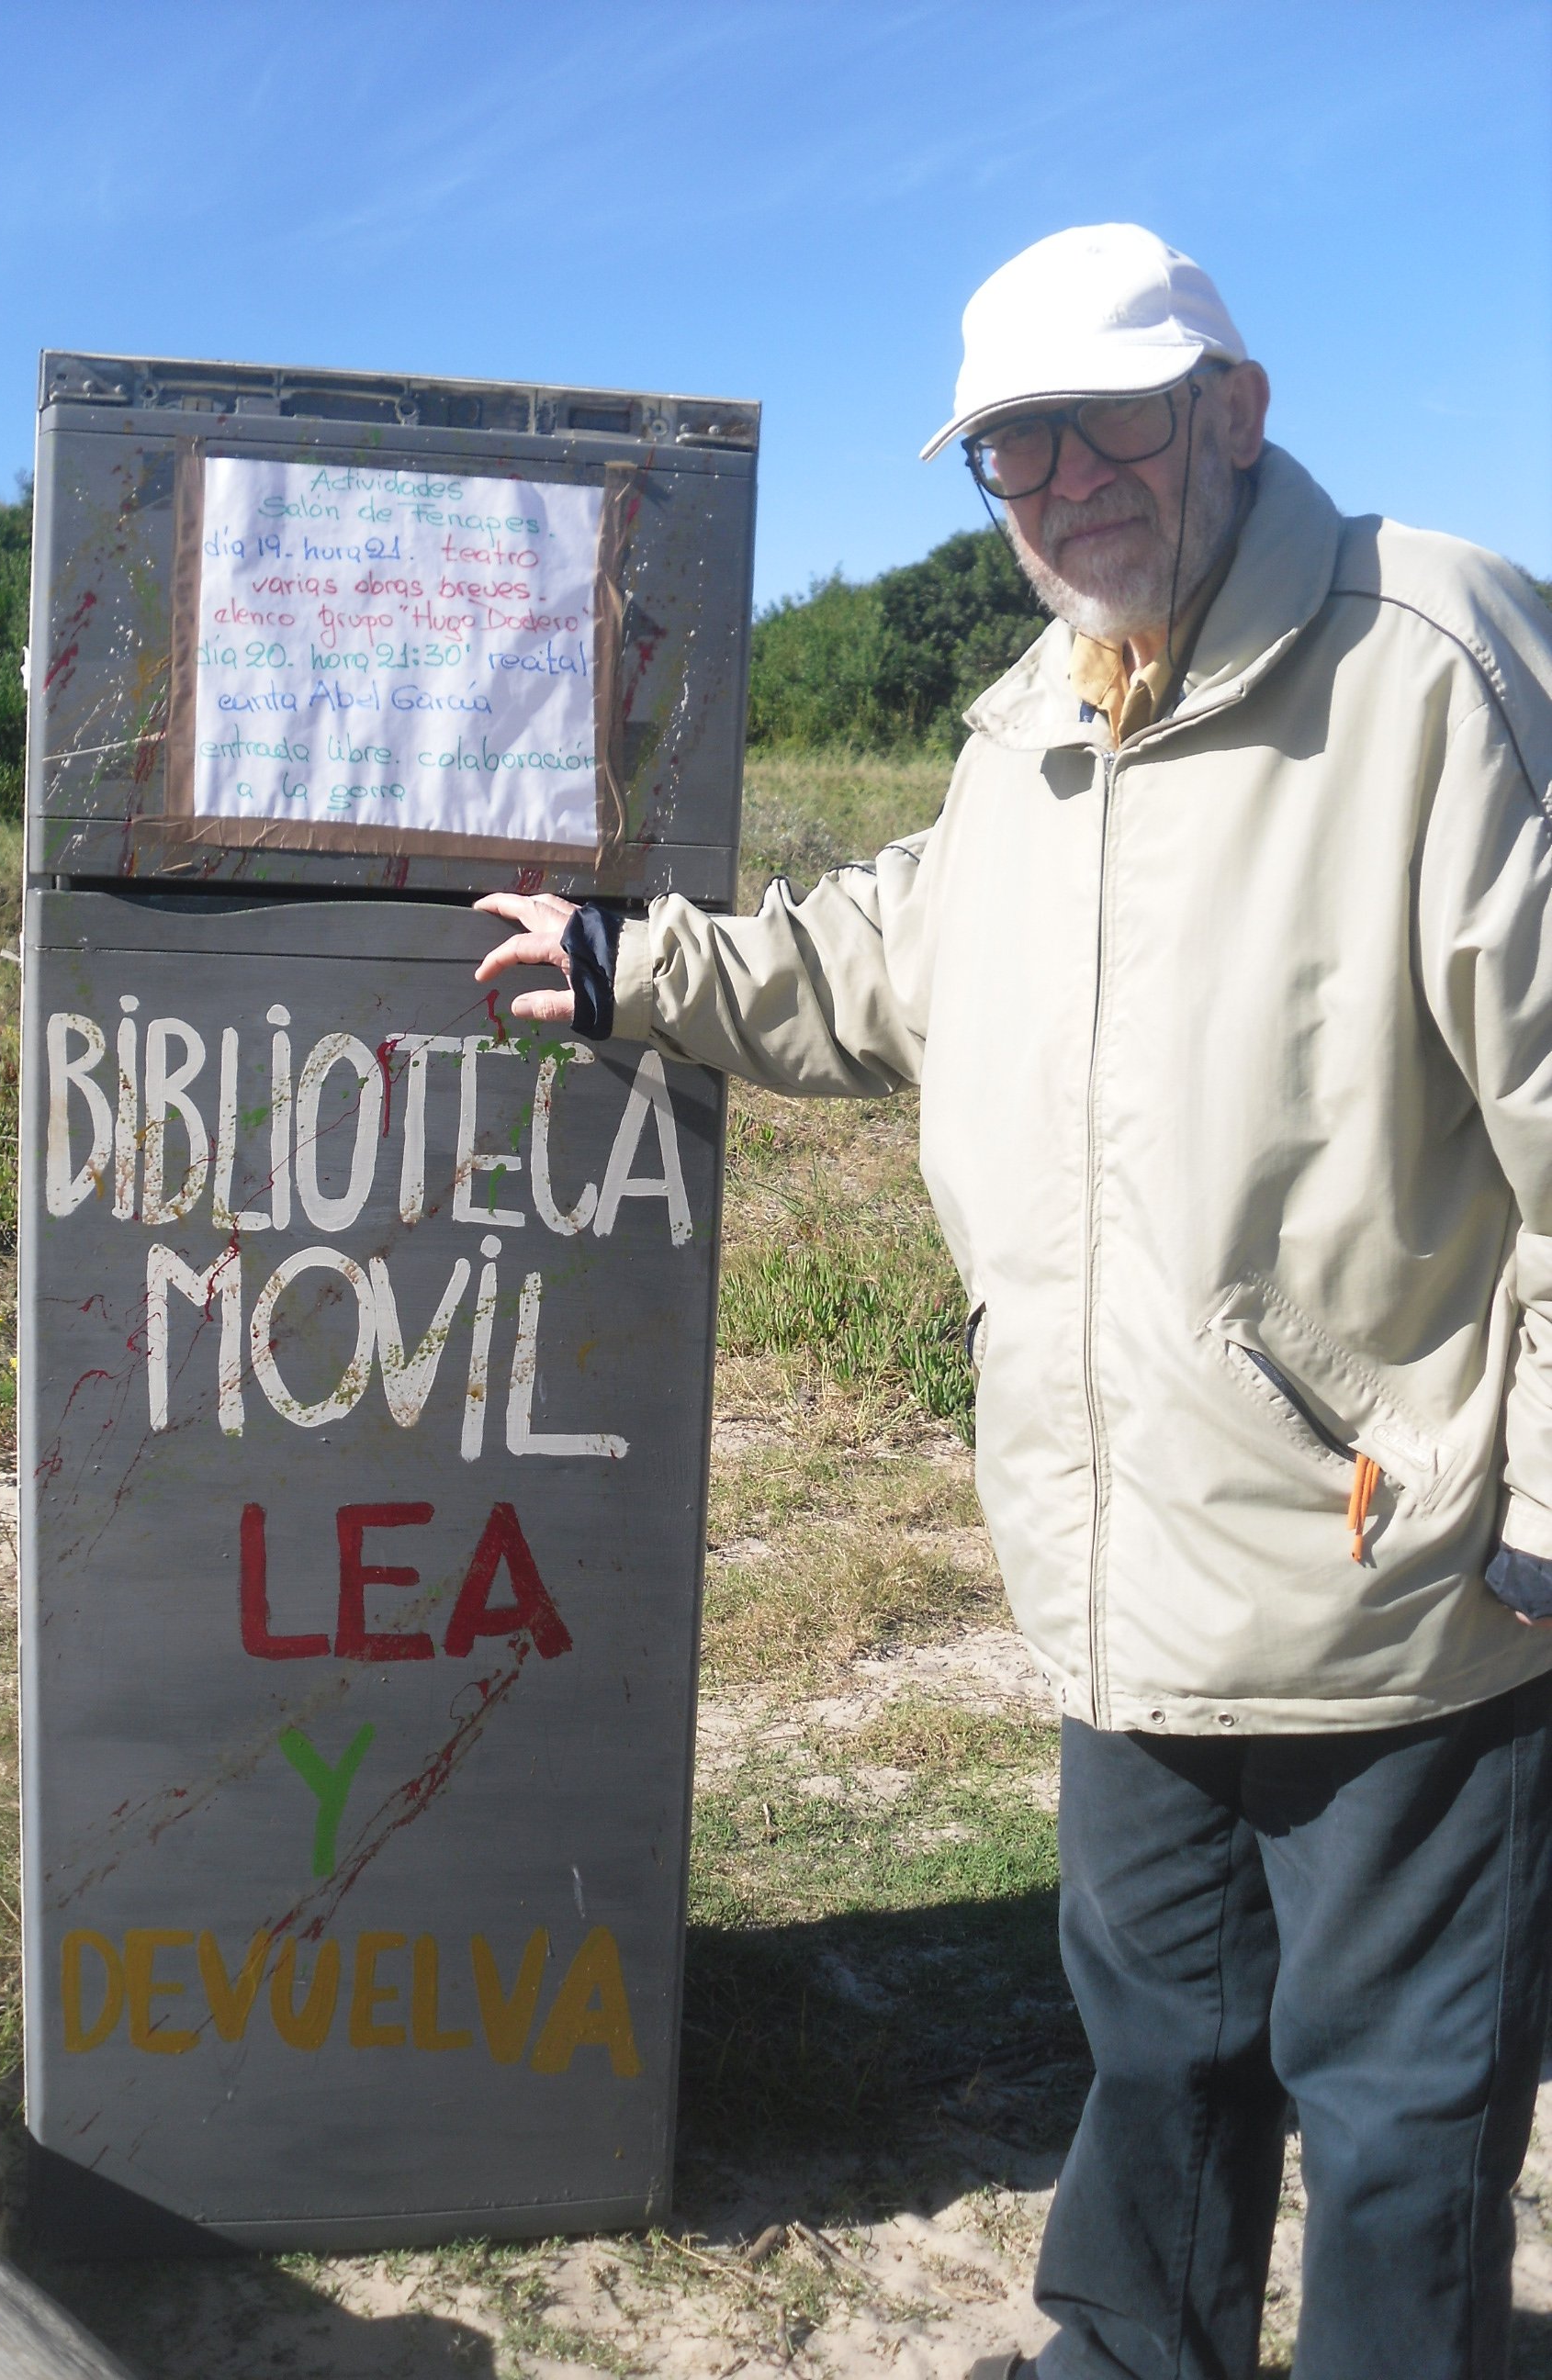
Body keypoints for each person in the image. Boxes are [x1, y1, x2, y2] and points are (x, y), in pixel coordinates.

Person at [475, 223, 1552, 2380]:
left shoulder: (1433, 666)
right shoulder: (1035, 723)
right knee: (1158, 2049)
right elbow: (876, 963)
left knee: (1401, 2117)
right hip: (1116, 1567)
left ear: (1231, 414)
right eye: (1012, 449)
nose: (1061, 485)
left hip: (1405, 1592)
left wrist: (1535, 1513)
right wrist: (627, 971)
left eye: (1104, 425)